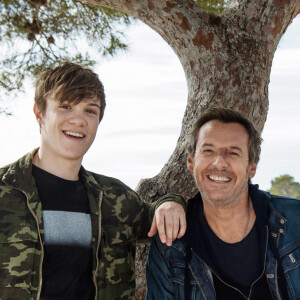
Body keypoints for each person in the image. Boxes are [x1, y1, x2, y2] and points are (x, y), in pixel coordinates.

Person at [0, 62, 187, 300]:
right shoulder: (5, 190)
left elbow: (162, 219)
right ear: (39, 112)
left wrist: (172, 202)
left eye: (90, 110)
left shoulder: (116, 199)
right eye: (65, 106)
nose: (78, 120)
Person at [146, 107, 300, 300]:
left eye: (234, 153)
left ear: (252, 167)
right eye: (208, 151)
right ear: (191, 162)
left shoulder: (295, 220)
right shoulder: (171, 243)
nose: (219, 163)